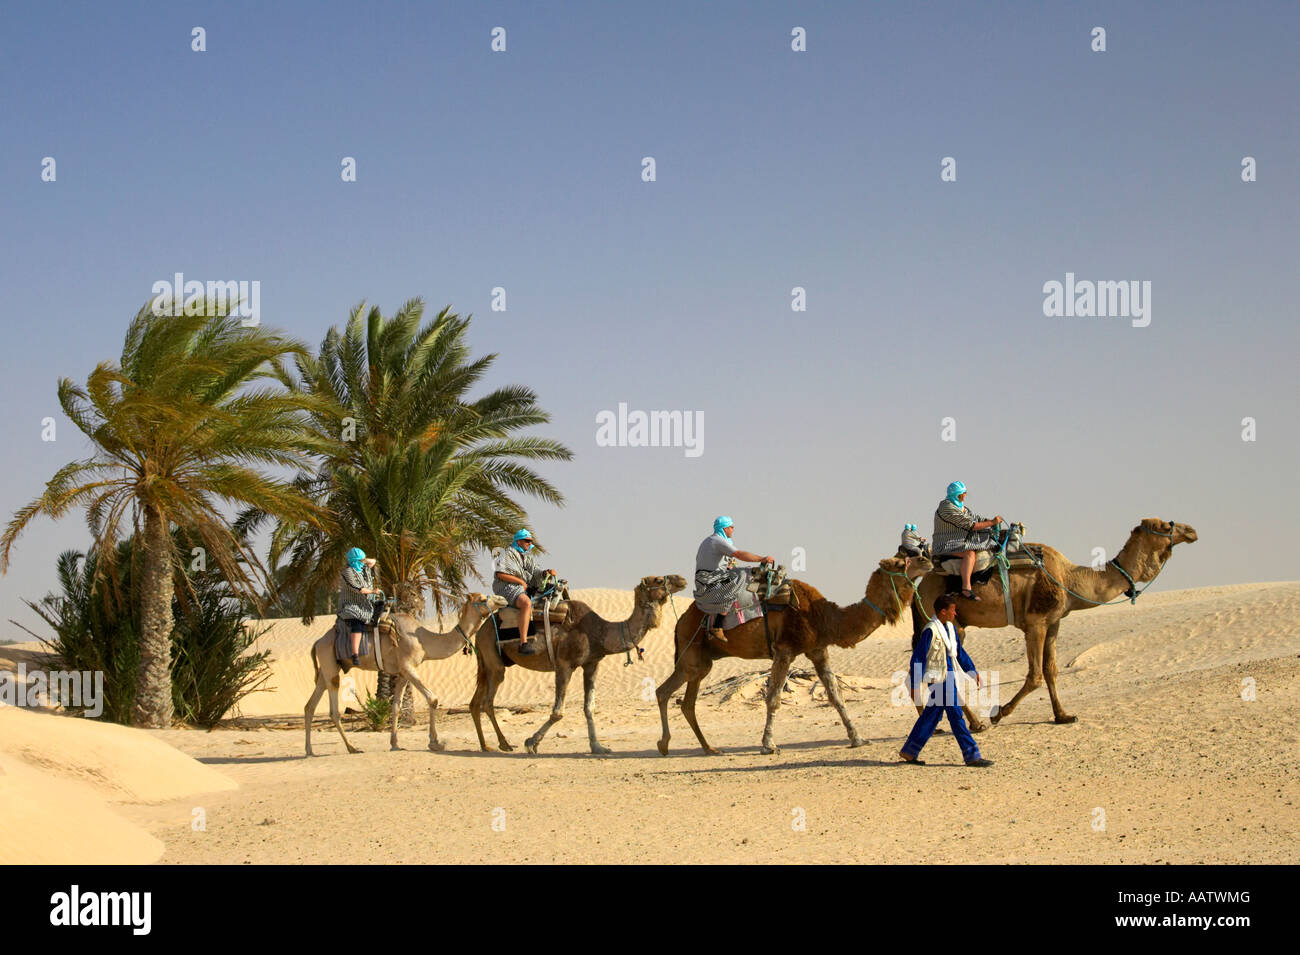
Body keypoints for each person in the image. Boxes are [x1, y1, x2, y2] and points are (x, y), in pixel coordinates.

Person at [898, 593, 994, 767]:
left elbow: (959, 653)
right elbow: (918, 658)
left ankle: (909, 751)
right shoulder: (930, 631)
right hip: (938, 680)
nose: (955, 614)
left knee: (930, 717)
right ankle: (972, 756)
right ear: (943, 612)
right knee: (957, 716)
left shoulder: (950, 629)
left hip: (949, 677)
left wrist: (972, 671)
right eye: (953, 610)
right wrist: (914, 684)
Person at [693, 516, 774, 643]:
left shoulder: (711, 540)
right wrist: (761, 559)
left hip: (711, 576)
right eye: (731, 527)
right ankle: (717, 625)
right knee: (741, 576)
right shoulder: (717, 541)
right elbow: (739, 554)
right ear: (724, 528)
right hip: (709, 580)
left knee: (744, 571)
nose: (733, 529)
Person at [931, 480, 1004, 600]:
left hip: (960, 541)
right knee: (969, 554)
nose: (965, 495)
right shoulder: (946, 508)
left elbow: (975, 518)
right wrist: (991, 523)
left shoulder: (961, 507)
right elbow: (971, 525)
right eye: (963, 493)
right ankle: (966, 588)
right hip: (947, 544)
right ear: (958, 494)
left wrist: (990, 521)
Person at [492, 529, 557, 655]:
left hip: (521, 587)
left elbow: (535, 573)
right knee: (526, 603)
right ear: (519, 541)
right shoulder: (507, 554)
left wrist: (546, 572)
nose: (529, 543)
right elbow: (500, 574)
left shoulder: (527, 557)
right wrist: (520, 582)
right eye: (527, 541)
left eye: (530, 541)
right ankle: (523, 643)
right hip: (507, 587)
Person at [338, 547, 382, 667]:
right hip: (352, 605)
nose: (363, 563)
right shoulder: (348, 572)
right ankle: (355, 653)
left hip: (367, 604)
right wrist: (373, 592)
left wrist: (363, 559)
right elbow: (360, 589)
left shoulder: (364, 569)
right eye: (360, 560)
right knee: (358, 622)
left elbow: (373, 562)